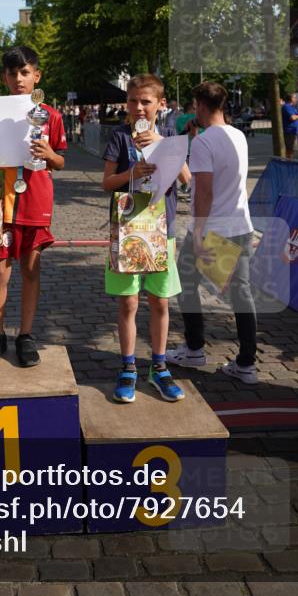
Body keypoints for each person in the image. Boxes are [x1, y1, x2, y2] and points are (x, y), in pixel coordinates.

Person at [102, 74, 190, 404]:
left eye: (146, 101)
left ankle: (159, 366)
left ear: (160, 104)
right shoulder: (119, 136)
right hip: (128, 228)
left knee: (160, 301)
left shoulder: (170, 136)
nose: (139, 107)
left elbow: (186, 179)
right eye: (133, 101)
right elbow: (107, 182)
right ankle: (128, 367)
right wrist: (131, 174)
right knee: (128, 302)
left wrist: (161, 145)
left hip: (161, 230)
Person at [0, 46, 67, 368]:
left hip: (35, 202)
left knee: (31, 270)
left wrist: (49, 154)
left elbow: (60, 161)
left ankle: (26, 334)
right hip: (0, 203)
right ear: (5, 77)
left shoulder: (51, 115)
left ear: (36, 76)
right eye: (13, 73)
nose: (19, 78)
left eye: (25, 72)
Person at [167, 81, 258, 383]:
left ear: (202, 106)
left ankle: (194, 348)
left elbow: (204, 190)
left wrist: (198, 231)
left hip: (214, 229)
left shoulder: (204, 143)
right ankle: (247, 362)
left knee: (186, 283)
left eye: (195, 106)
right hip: (240, 224)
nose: (194, 111)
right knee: (241, 294)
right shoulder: (237, 135)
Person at [281, 93, 298, 160]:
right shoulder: (286, 107)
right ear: (291, 98)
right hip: (290, 132)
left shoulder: (292, 107)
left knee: (292, 150)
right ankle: (289, 162)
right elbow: (293, 117)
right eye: (295, 97)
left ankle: (289, 162)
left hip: (293, 132)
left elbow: (296, 114)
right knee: (290, 150)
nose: (296, 99)